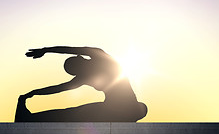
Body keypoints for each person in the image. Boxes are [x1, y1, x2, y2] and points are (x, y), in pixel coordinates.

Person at [15, 46, 147, 122]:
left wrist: (47, 49)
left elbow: (70, 49)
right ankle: (31, 118)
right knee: (72, 113)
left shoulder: (100, 56)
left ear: (80, 58)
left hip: (127, 109)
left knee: (76, 113)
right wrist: (33, 93)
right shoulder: (84, 76)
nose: (79, 74)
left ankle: (30, 118)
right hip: (117, 110)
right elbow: (59, 88)